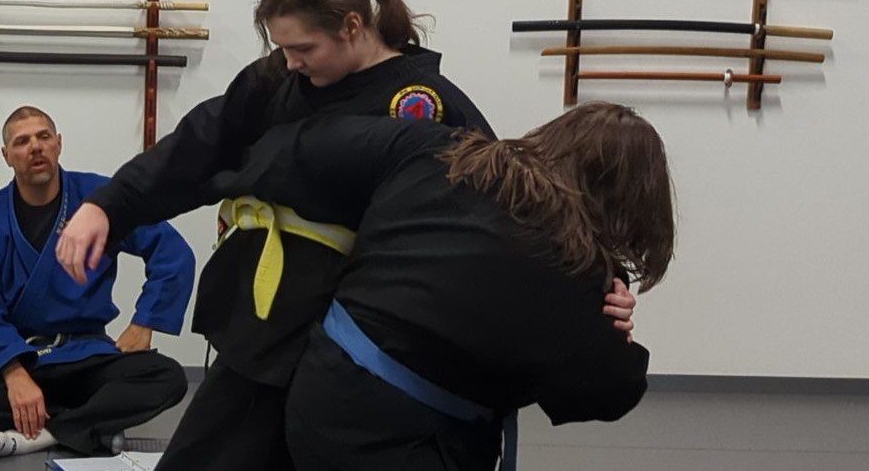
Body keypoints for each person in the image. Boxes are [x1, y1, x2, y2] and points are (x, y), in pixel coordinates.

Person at [56, 0, 633, 470]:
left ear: (353, 26)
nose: (291, 63)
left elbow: (512, 219)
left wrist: (601, 291)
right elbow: (200, 146)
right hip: (263, 329)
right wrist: (110, 206)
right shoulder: (276, 83)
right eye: (282, 48)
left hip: (354, 340)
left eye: (304, 48)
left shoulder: (424, 108)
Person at [206, 101, 674, 470]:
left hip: (320, 387)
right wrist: (620, 331)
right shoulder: (572, 269)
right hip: (404, 438)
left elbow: (312, 150)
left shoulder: (441, 155)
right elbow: (610, 390)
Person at [0, 106, 195, 461]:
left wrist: (145, 321)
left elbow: (172, 251)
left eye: (44, 136)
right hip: (24, 358)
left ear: (59, 145)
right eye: (22, 142)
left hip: (88, 356)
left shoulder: (100, 200)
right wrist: (13, 373)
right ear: (7, 157)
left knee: (168, 377)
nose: (35, 147)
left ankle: (38, 433)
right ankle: (87, 423)